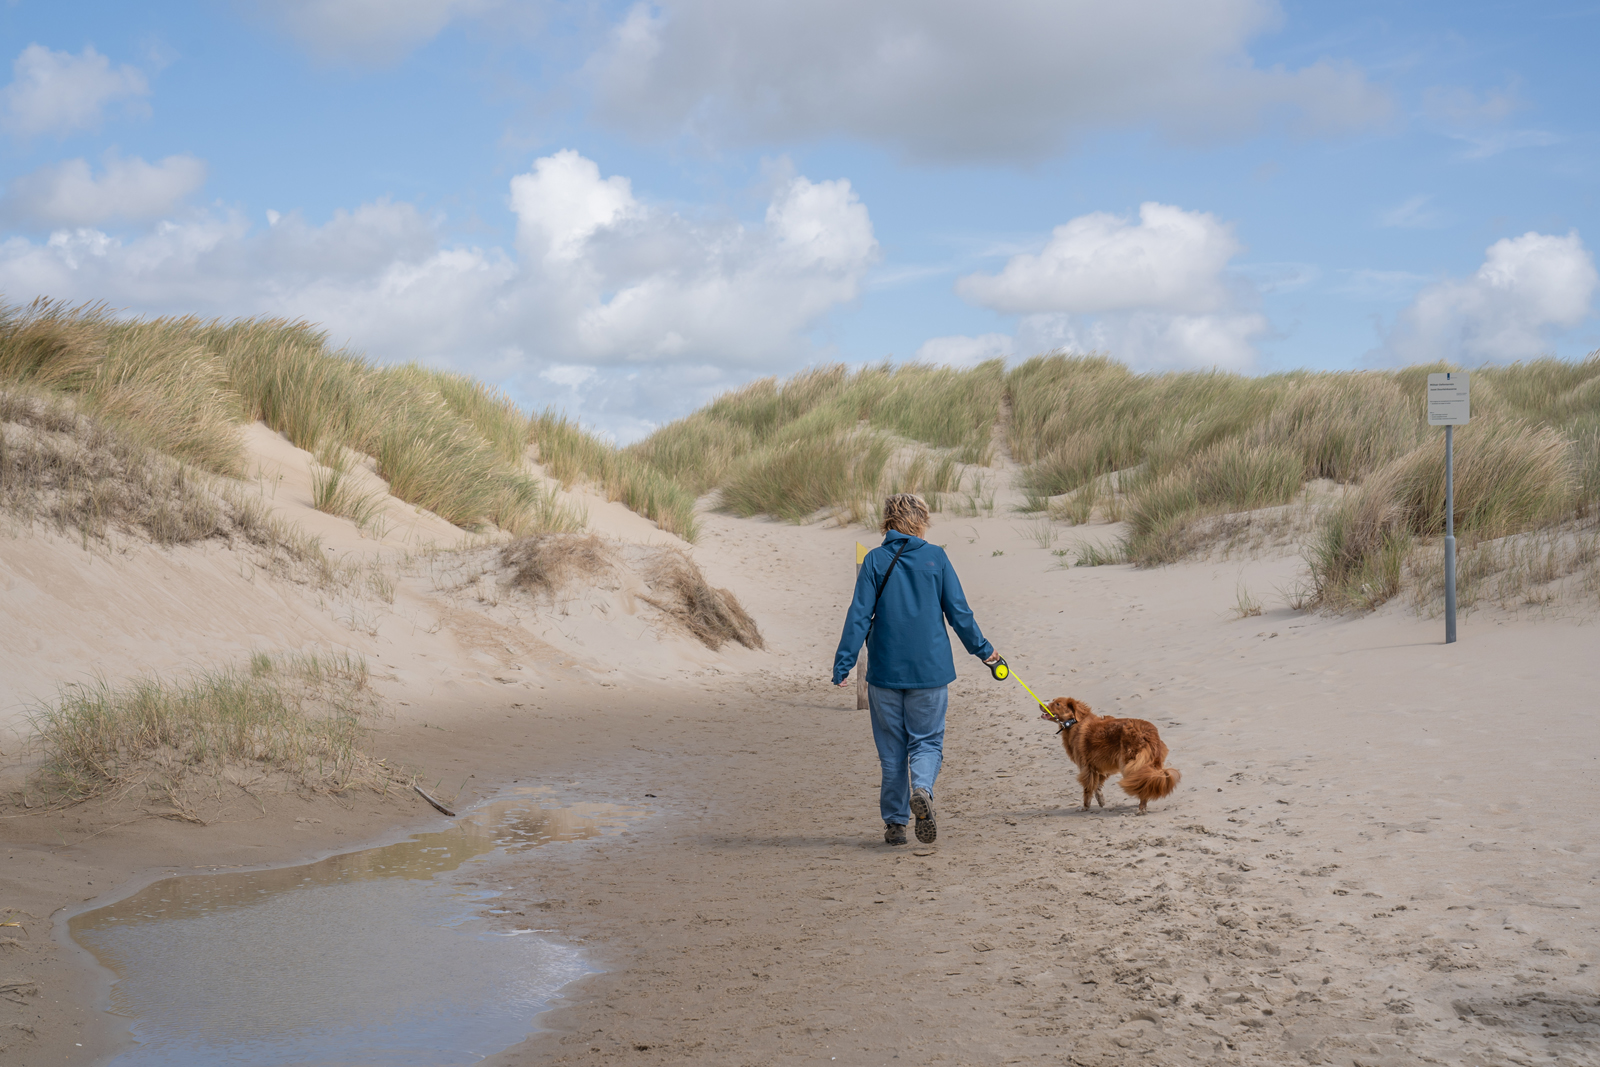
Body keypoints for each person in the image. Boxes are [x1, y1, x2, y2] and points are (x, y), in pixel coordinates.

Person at [833, 493, 1000, 846]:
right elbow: (959, 613)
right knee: (926, 742)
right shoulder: (936, 557)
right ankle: (922, 788)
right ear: (920, 520)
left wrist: (844, 663)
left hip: (884, 672)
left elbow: (858, 616)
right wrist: (985, 653)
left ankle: (895, 824)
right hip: (931, 671)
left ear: (887, 521)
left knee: (891, 751)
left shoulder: (875, 560)